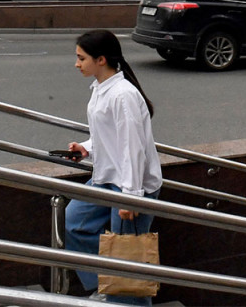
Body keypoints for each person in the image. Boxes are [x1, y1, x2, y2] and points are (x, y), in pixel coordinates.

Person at [62, 30, 163, 304]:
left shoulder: (123, 95)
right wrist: (88, 148)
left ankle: (122, 294)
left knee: (127, 259)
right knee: (75, 224)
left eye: (81, 58)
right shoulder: (101, 88)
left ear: (101, 59)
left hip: (129, 185)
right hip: (106, 175)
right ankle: (107, 285)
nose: (77, 64)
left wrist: (129, 196)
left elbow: (133, 147)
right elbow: (109, 133)